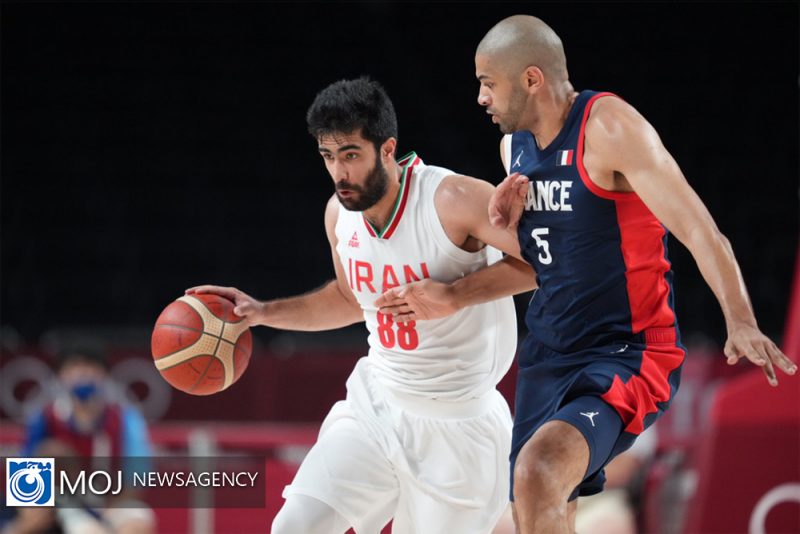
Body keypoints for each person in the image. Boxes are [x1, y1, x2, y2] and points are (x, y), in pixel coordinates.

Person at [375, 15, 797, 534]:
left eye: (488, 83)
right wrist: (462, 286)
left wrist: (741, 319)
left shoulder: (609, 127)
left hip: (627, 350)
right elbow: (541, 266)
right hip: (549, 356)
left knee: (538, 471)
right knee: (535, 512)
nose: (480, 98)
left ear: (531, 79)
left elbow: (701, 230)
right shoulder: (516, 150)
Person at [187, 77, 535, 534]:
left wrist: (454, 295)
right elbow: (351, 298)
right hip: (378, 404)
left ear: (387, 148)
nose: (339, 173)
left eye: (350, 155)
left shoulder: (449, 198)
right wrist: (263, 312)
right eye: (328, 157)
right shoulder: (338, 213)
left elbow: (549, 261)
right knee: (294, 527)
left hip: (459, 423)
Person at [10, 346, 155, 534]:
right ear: (60, 376)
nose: (83, 373)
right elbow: (24, 480)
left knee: (137, 523)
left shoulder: (126, 419)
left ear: (104, 375)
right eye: (74, 367)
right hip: (64, 504)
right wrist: (34, 515)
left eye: (90, 367)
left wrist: (107, 511)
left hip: (110, 502)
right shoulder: (44, 418)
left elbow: (137, 477)